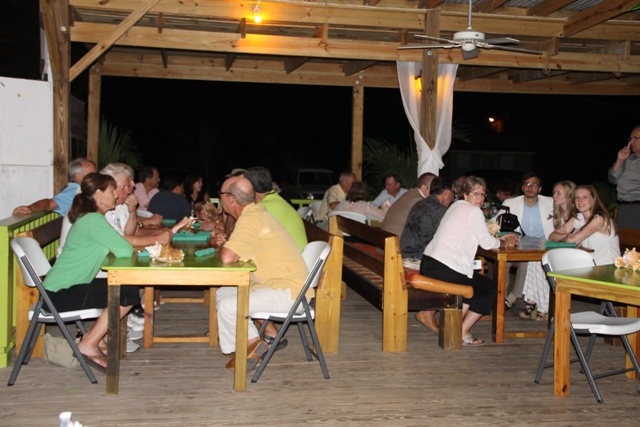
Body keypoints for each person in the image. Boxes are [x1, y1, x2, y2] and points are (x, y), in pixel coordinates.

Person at [42, 173, 139, 370]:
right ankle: (89, 343)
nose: (115, 196)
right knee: (127, 292)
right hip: (60, 294)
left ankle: (96, 338)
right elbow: (125, 249)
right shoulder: (93, 220)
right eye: (112, 191)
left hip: (59, 289)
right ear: (99, 194)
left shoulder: (90, 218)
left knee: (123, 288)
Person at [214, 176, 309, 372]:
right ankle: (253, 343)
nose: (219, 198)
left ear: (231, 199)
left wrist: (219, 246)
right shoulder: (254, 213)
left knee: (227, 305)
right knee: (223, 293)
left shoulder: (251, 218)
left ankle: (245, 351)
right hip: (278, 285)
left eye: (221, 194)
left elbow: (227, 257)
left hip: (288, 292)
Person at [421, 176, 519, 346]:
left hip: (429, 263)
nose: (480, 198)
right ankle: (461, 331)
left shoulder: (456, 206)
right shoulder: (474, 211)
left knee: (474, 283)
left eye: (482, 194)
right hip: (444, 267)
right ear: (465, 194)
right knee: (488, 288)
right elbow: (487, 243)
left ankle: (457, 327)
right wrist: (505, 242)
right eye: (476, 194)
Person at [400, 177, 455, 334]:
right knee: (453, 268)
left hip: (404, 255)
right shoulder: (439, 211)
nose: (453, 198)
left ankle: (471, 306)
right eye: (453, 193)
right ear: (446, 193)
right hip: (414, 259)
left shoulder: (420, 204)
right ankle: (428, 313)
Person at [493, 172, 554, 310]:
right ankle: (500, 298)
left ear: (539, 188)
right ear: (522, 188)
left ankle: (513, 297)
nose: (530, 187)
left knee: (526, 262)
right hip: (518, 244)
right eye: (527, 184)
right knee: (504, 263)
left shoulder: (550, 203)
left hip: (543, 246)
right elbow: (495, 222)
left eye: (534, 185)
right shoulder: (511, 203)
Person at [520, 181, 577, 321]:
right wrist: (564, 236)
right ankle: (532, 301)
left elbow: (571, 238)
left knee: (545, 263)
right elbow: (552, 236)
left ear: (569, 196)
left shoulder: (576, 215)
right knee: (534, 260)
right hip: (562, 250)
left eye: (558, 193)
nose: (554, 196)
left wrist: (562, 236)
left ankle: (545, 308)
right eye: (554, 192)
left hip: (575, 254)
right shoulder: (558, 213)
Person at [551, 185, 620, 266]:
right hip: (589, 267)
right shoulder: (578, 218)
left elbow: (574, 240)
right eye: (577, 197)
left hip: (608, 268)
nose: (580, 200)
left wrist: (567, 238)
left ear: (593, 199)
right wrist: (567, 236)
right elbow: (552, 236)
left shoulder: (600, 219)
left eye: (585, 197)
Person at [244, 166, 308, 252]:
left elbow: (242, 243)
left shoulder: (262, 208)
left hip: (288, 262)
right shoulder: (276, 200)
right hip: (293, 258)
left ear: (249, 188)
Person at [12, 158, 96, 216]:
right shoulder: (74, 192)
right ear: (78, 176)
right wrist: (30, 208)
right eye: (93, 174)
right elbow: (49, 204)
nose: (97, 177)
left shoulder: (87, 191)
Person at [380, 173, 435, 237]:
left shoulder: (410, 194)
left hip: (384, 238)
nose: (436, 190)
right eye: (434, 187)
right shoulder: (418, 200)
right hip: (394, 242)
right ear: (424, 187)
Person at [608, 125, 640, 230]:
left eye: (636, 138)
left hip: (636, 206)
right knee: (623, 242)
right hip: (623, 207)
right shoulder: (628, 158)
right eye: (630, 138)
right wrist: (620, 160)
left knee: (635, 242)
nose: (631, 142)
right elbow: (612, 180)